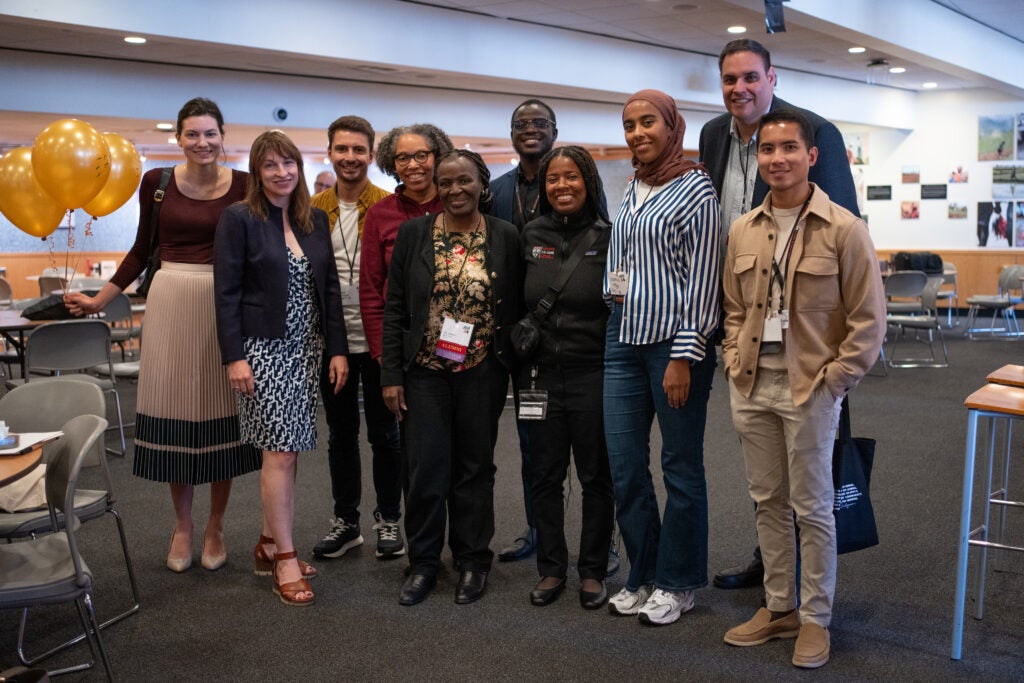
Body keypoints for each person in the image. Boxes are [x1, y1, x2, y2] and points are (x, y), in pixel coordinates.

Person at [64, 97, 261, 574]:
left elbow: (261, 249)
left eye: (210, 133)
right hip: (171, 298)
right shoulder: (158, 183)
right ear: (178, 138)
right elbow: (139, 250)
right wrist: (99, 299)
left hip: (225, 301)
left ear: (222, 135)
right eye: (192, 134)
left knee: (221, 415)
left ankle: (215, 525)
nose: (202, 142)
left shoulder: (244, 184)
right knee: (176, 412)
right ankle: (182, 525)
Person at [721, 110, 885, 668]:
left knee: (812, 507)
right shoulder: (744, 228)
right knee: (767, 502)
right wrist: (730, 356)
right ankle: (778, 606)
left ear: (812, 156)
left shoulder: (843, 228)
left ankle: (816, 618)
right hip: (751, 383)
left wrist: (835, 382)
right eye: (767, 150)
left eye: (789, 148)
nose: (777, 159)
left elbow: (869, 321)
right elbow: (734, 308)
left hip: (809, 387)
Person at [698, 38, 860, 591]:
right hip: (744, 315)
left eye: (750, 77)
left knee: (809, 478)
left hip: (809, 335)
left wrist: (837, 365)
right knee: (765, 476)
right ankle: (772, 571)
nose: (739, 89)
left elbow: (840, 230)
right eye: (729, 80)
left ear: (772, 78)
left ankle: (810, 594)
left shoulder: (817, 133)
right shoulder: (713, 134)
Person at [214, 130, 349, 606]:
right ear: (257, 171)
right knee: (281, 452)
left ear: (299, 167)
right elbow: (226, 292)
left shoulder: (313, 220)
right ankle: (286, 558)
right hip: (262, 349)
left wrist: (336, 349)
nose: (281, 173)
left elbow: (329, 289)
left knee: (288, 450)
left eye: (288, 163)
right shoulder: (239, 219)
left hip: (307, 349)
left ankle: (269, 543)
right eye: (270, 165)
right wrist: (234, 356)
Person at [381, 150, 521, 607]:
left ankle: (473, 560)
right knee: (424, 468)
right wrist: (390, 374)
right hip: (423, 370)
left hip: (482, 369)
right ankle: (423, 562)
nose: (455, 190)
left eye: (464, 181)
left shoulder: (505, 236)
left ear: (482, 184)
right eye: (445, 183)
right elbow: (396, 306)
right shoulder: (413, 233)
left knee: (475, 468)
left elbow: (515, 305)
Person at [603, 89, 721, 625]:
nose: (637, 133)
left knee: (679, 468)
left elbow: (703, 283)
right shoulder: (630, 187)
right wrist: (614, 296)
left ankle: (678, 582)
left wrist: (683, 355)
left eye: (648, 122)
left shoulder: (696, 190)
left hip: (674, 350)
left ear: (672, 126)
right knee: (625, 469)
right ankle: (643, 572)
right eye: (629, 125)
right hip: (622, 341)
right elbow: (620, 260)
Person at [520, 146, 614, 609]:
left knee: (597, 475)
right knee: (545, 475)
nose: (561, 186)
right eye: (553, 179)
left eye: (571, 177)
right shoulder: (529, 234)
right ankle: (552, 568)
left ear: (588, 181)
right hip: (538, 377)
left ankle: (593, 569)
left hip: (592, 372)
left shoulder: (610, 236)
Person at [309, 116, 403, 561]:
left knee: (386, 435)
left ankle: (389, 519)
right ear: (329, 152)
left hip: (380, 338)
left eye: (358, 150)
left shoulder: (388, 206)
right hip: (334, 342)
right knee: (340, 435)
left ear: (371, 154)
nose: (350, 158)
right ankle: (346, 521)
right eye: (341, 149)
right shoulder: (308, 211)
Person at [490, 99, 558, 562]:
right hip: (511, 340)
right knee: (530, 437)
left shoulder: (570, 181)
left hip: (563, 334)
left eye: (538, 123)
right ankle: (538, 531)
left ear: (554, 130)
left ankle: (597, 542)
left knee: (581, 445)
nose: (529, 130)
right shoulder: (495, 190)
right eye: (521, 125)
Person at [360, 123, 454, 367]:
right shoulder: (379, 214)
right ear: (393, 163)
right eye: (403, 158)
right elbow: (371, 289)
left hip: (455, 334)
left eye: (421, 156)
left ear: (437, 156)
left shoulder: (456, 207)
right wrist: (382, 352)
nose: (412, 165)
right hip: (401, 338)